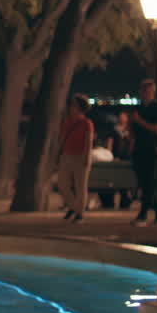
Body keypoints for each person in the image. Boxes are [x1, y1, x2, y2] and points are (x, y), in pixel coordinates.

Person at [130, 78, 157, 226]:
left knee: (149, 181)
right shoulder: (138, 108)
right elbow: (134, 130)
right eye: (144, 91)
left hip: (151, 149)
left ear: (153, 92)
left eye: (149, 91)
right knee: (143, 181)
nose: (146, 94)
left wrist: (140, 122)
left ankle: (143, 214)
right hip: (139, 149)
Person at [57, 94, 94, 223]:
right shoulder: (67, 122)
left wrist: (87, 157)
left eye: (73, 104)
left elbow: (88, 141)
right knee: (62, 184)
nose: (70, 107)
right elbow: (62, 139)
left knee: (80, 186)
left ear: (79, 107)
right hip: (67, 155)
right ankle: (74, 207)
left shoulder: (86, 123)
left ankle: (80, 213)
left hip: (80, 156)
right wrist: (59, 153)